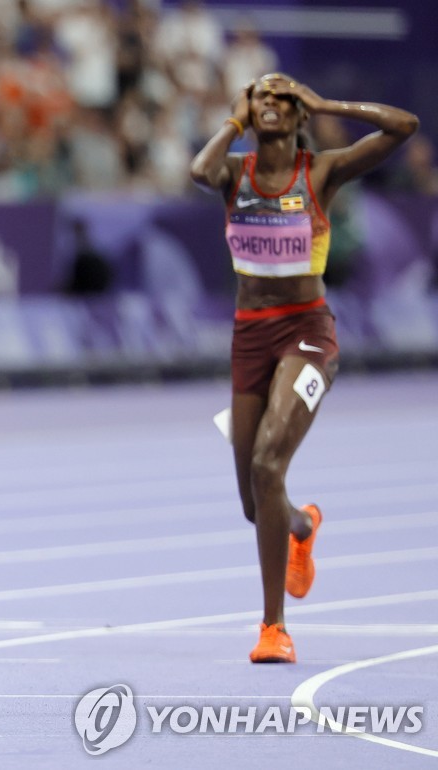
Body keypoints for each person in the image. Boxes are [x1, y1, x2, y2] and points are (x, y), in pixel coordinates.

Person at [190, 73, 417, 663]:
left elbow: (404, 126)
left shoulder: (320, 172)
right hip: (249, 339)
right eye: (261, 96)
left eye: (282, 99)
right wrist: (234, 120)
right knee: (254, 501)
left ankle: (273, 629)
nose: (272, 104)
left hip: (307, 334)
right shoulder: (233, 174)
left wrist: (327, 102)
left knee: (270, 461)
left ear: (298, 117)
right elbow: (197, 170)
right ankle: (300, 527)